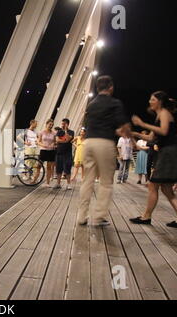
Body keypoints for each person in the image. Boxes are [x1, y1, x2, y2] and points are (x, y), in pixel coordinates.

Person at [77, 76, 130, 227]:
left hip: (88, 142)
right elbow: (123, 127)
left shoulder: (91, 105)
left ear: (97, 88)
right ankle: (98, 216)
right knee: (106, 182)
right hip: (104, 141)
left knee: (87, 180)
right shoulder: (115, 103)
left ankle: (82, 216)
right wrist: (131, 137)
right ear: (111, 87)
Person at [130, 91, 177, 228]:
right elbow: (151, 138)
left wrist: (142, 124)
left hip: (168, 153)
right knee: (167, 189)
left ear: (160, 101)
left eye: (152, 99)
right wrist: (135, 133)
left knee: (153, 185)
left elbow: (163, 131)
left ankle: (146, 216)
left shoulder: (164, 113)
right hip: (167, 153)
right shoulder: (160, 116)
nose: (150, 101)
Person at [54, 119, 74, 190]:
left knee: (67, 168)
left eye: (64, 124)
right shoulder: (59, 132)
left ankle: (68, 184)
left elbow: (68, 139)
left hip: (67, 153)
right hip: (59, 153)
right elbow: (57, 140)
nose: (62, 125)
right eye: (62, 123)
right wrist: (64, 141)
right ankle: (58, 184)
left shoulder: (71, 132)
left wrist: (65, 131)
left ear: (67, 124)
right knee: (58, 169)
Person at [38, 119, 57, 187]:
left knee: (49, 167)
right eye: (50, 124)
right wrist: (42, 145)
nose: (51, 126)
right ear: (46, 124)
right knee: (39, 165)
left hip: (51, 151)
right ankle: (34, 179)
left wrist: (54, 145)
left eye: (52, 125)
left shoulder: (54, 133)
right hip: (43, 150)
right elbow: (38, 141)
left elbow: (55, 142)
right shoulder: (42, 132)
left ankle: (47, 183)